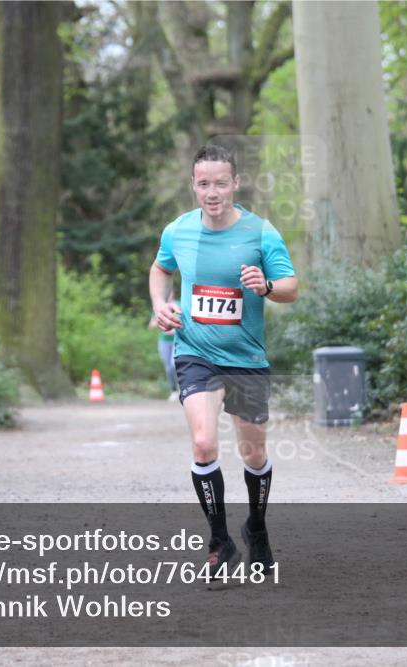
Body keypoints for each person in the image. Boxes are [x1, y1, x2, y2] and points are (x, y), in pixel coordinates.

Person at [148, 144, 298, 578]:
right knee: (203, 443)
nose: (211, 192)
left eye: (219, 183)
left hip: (246, 358)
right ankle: (219, 541)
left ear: (235, 183)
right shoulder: (177, 230)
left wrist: (266, 286)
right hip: (195, 352)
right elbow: (161, 268)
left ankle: (257, 528)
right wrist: (161, 304)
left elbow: (292, 287)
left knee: (253, 454)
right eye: (202, 184)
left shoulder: (261, 233)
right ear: (193, 185)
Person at [148, 314, 179, 401]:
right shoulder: (160, 306)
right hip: (164, 341)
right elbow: (151, 325)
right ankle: (174, 390)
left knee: (174, 364)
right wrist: (162, 323)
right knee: (168, 367)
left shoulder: (180, 304)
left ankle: (183, 386)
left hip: (177, 340)